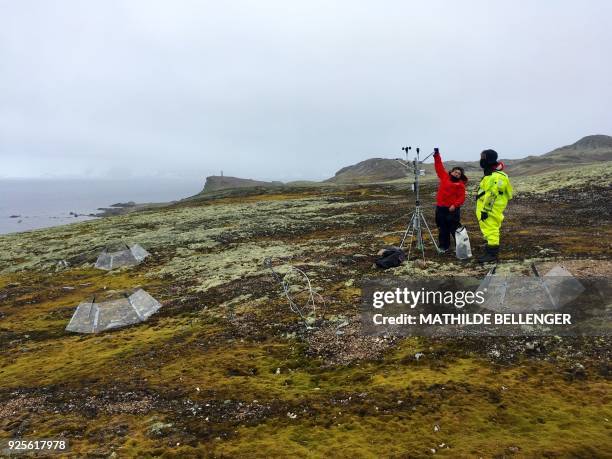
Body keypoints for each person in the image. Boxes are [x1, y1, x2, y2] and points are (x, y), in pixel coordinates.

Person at [476, 149, 513, 262]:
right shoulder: (491, 173)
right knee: (488, 229)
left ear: (489, 159)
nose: (481, 159)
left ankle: (492, 254)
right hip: (487, 207)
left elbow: (492, 194)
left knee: (491, 229)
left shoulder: (496, 176)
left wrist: (485, 210)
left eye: (483, 157)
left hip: (490, 208)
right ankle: (489, 249)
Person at [433, 149, 468, 253]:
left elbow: (461, 198)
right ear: (451, 172)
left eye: (459, 173)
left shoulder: (460, 185)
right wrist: (436, 155)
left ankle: (462, 247)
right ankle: (444, 246)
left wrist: (455, 205)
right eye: (455, 172)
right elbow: (439, 166)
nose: (457, 174)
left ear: (460, 176)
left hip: (452, 210)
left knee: (455, 228)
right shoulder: (444, 177)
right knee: (443, 229)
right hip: (440, 208)